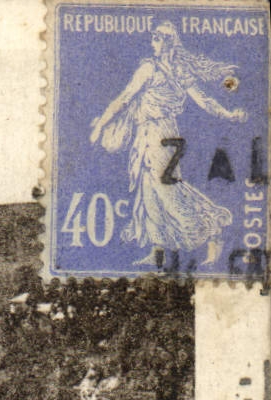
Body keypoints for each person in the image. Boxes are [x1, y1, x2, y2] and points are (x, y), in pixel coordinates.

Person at [89, 21, 247, 267]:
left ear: (167, 42)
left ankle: (213, 230)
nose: (153, 42)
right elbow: (125, 98)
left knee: (167, 189)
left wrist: (227, 114)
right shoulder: (154, 68)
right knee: (149, 191)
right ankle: (157, 252)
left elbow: (202, 100)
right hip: (148, 135)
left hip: (160, 134)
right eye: (153, 38)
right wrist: (102, 124)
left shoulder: (163, 70)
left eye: (157, 38)